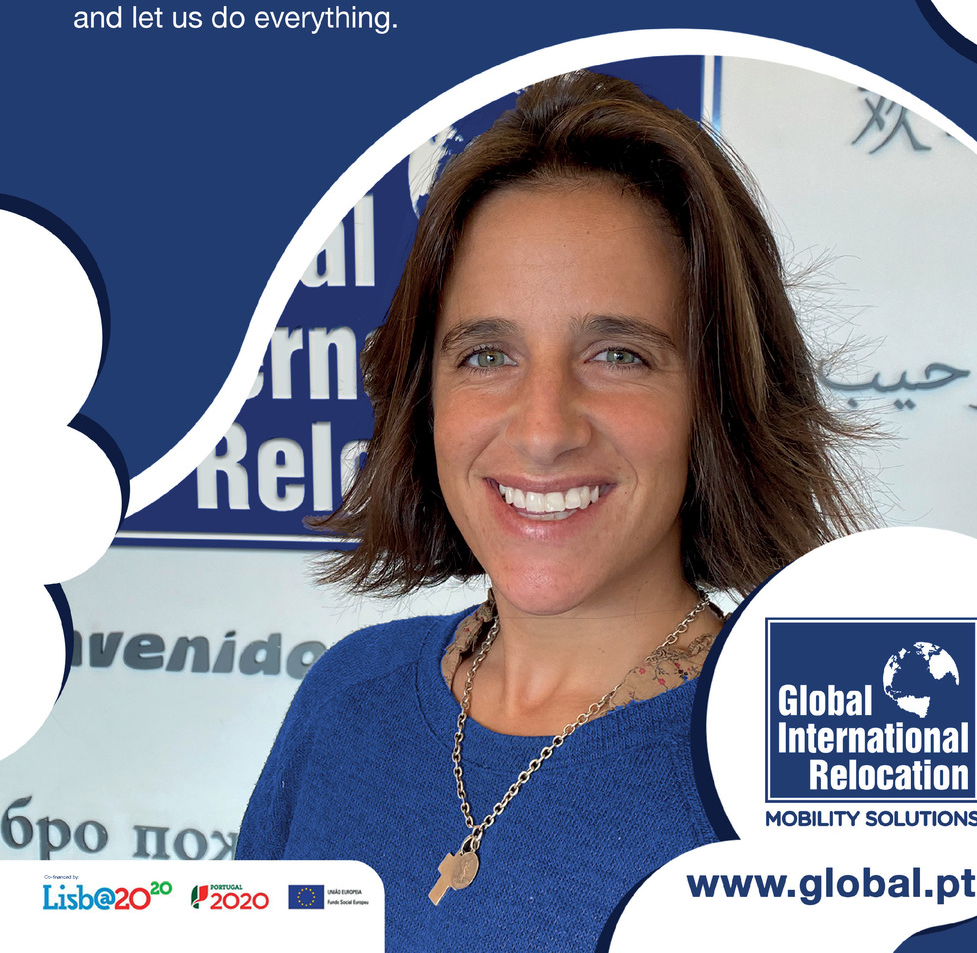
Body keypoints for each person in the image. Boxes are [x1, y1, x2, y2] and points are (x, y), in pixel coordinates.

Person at [236, 70, 870, 950]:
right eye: (487, 354)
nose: (542, 431)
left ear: (717, 398)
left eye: (618, 354)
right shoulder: (345, 701)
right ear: (424, 396)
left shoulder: (807, 776)